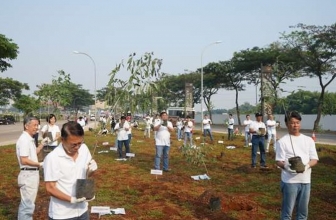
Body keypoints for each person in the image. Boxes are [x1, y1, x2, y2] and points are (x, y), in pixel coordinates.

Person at [43, 121, 98, 220]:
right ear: (63, 140)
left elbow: (86, 175)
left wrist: (91, 171)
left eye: (80, 143)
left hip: (82, 210)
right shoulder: (53, 158)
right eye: (73, 144)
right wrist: (71, 199)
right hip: (63, 214)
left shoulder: (84, 149)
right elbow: (50, 188)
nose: (77, 147)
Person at [275, 111, 318, 220]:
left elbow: (314, 159)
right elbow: (279, 161)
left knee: (303, 214)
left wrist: (306, 166)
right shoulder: (282, 142)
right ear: (287, 124)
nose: (295, 125)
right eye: (292, 123)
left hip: (305, 181)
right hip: (290, 182)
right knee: (287, 213)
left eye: (297, 122)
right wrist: (286, 167)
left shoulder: (308, 140)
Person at [16, 116, 47, 220]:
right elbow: (24, 160)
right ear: (26, 126)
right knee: (27, 206)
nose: (37, 127)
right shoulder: (24, 139)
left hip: (31, 174)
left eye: (37, 125)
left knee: (29, 204)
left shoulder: (29, 139)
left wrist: (42, 144)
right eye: (34, 125)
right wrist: (40, 164)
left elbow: (33, 154)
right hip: (28, 175)